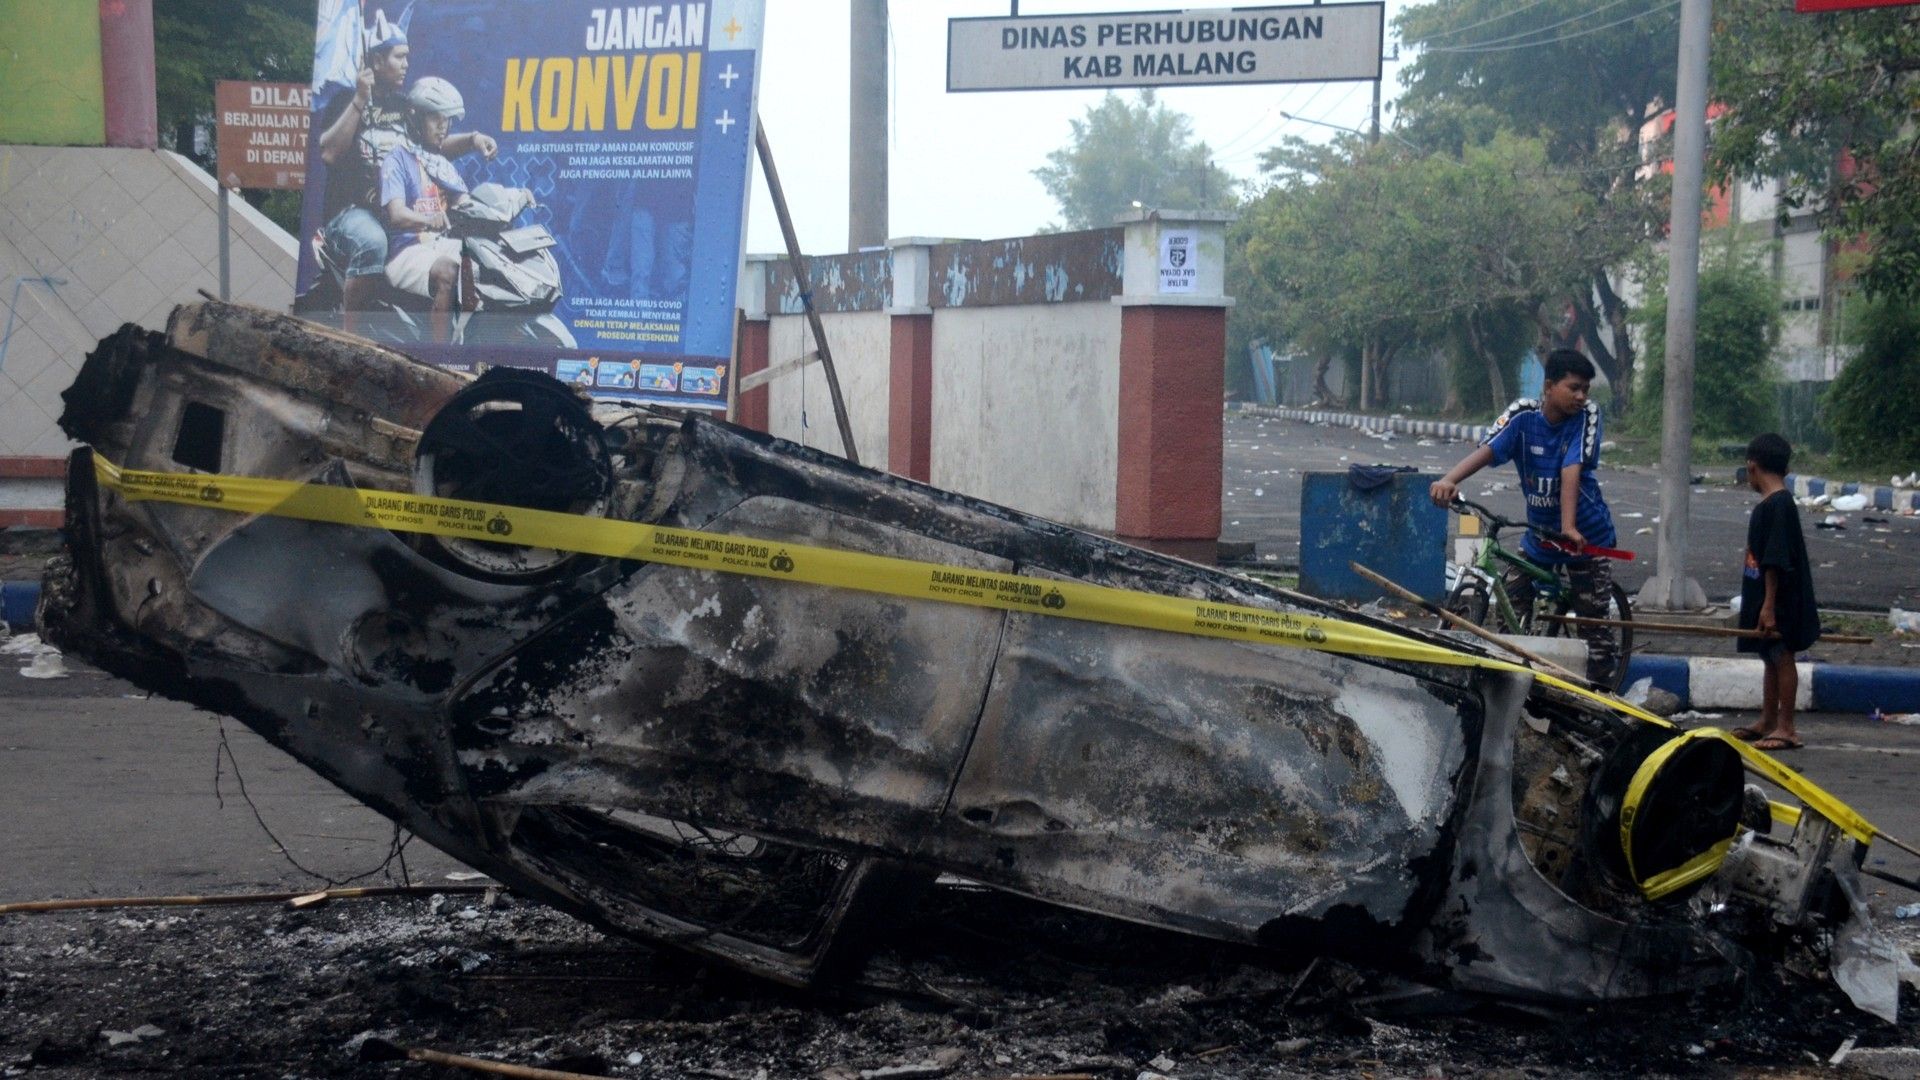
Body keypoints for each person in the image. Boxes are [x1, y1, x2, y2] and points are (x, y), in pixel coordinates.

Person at [1429, 348, 1621, 685]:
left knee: (1593, 623)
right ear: (1548, 386)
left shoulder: (1587, 416)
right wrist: (1449, 480)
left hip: (1585, 535)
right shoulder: (1523, 416)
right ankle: (1516, 685)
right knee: (1512, 603)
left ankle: (1607, 699)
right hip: (1539, 535)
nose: (1581, 396)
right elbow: (1487, 452)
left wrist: (1569, 527)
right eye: (1573, 387)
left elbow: (1571, 468)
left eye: (1585, 389)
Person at [312, 20, 496, 334]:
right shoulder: (346, 100)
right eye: (399, 56)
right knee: (373, 242)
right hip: (354, 210)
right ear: (377, 59)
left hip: (397, 209)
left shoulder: (404, 106)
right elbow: (329, 152)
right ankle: (350, 335)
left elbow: (430, 147)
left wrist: (472, 140)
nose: (406, 64)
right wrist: (359, 99)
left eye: (407, 56)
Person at [1731, 433, 1820, 751]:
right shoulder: (1771, 505)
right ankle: (1768, 721)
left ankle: (1787, 727)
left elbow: (1775, 561)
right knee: (1769, 656)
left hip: (1780, 599)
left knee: (1782, 657)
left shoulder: (1778, 506)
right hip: (1767, 599)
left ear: (1752, 467)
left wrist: (1768, 606)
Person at [380, 77, 474, 343]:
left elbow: (465, 203)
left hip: (438, 243)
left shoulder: (440, 162)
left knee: (481, 262)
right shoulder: (396, 159)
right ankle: (440, 355)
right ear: (415, 117)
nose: (443, 127)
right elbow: (396, 214)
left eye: (447, 120)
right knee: (448, 271)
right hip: (404, 249)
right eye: (436, 119)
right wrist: (428, 219)